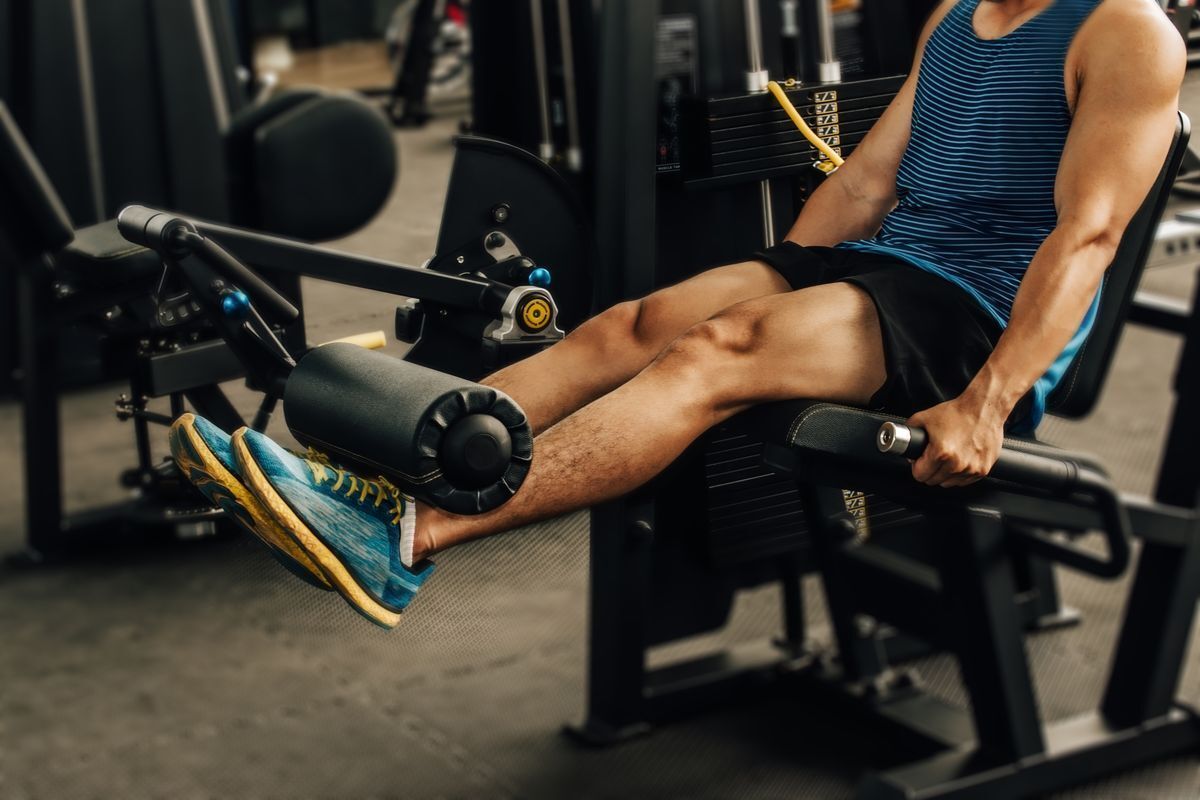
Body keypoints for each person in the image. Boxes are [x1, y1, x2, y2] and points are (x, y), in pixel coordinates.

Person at [170, 0, 1185, 628]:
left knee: (716, 351)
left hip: (974, 313)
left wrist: (990, 401)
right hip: (887, 263)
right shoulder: (958, 18)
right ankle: (369, 479)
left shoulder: (1123, 30)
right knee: (634, 323)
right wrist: (784, 268)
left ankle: (408, 534)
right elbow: (872, 178)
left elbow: (1087, 236)